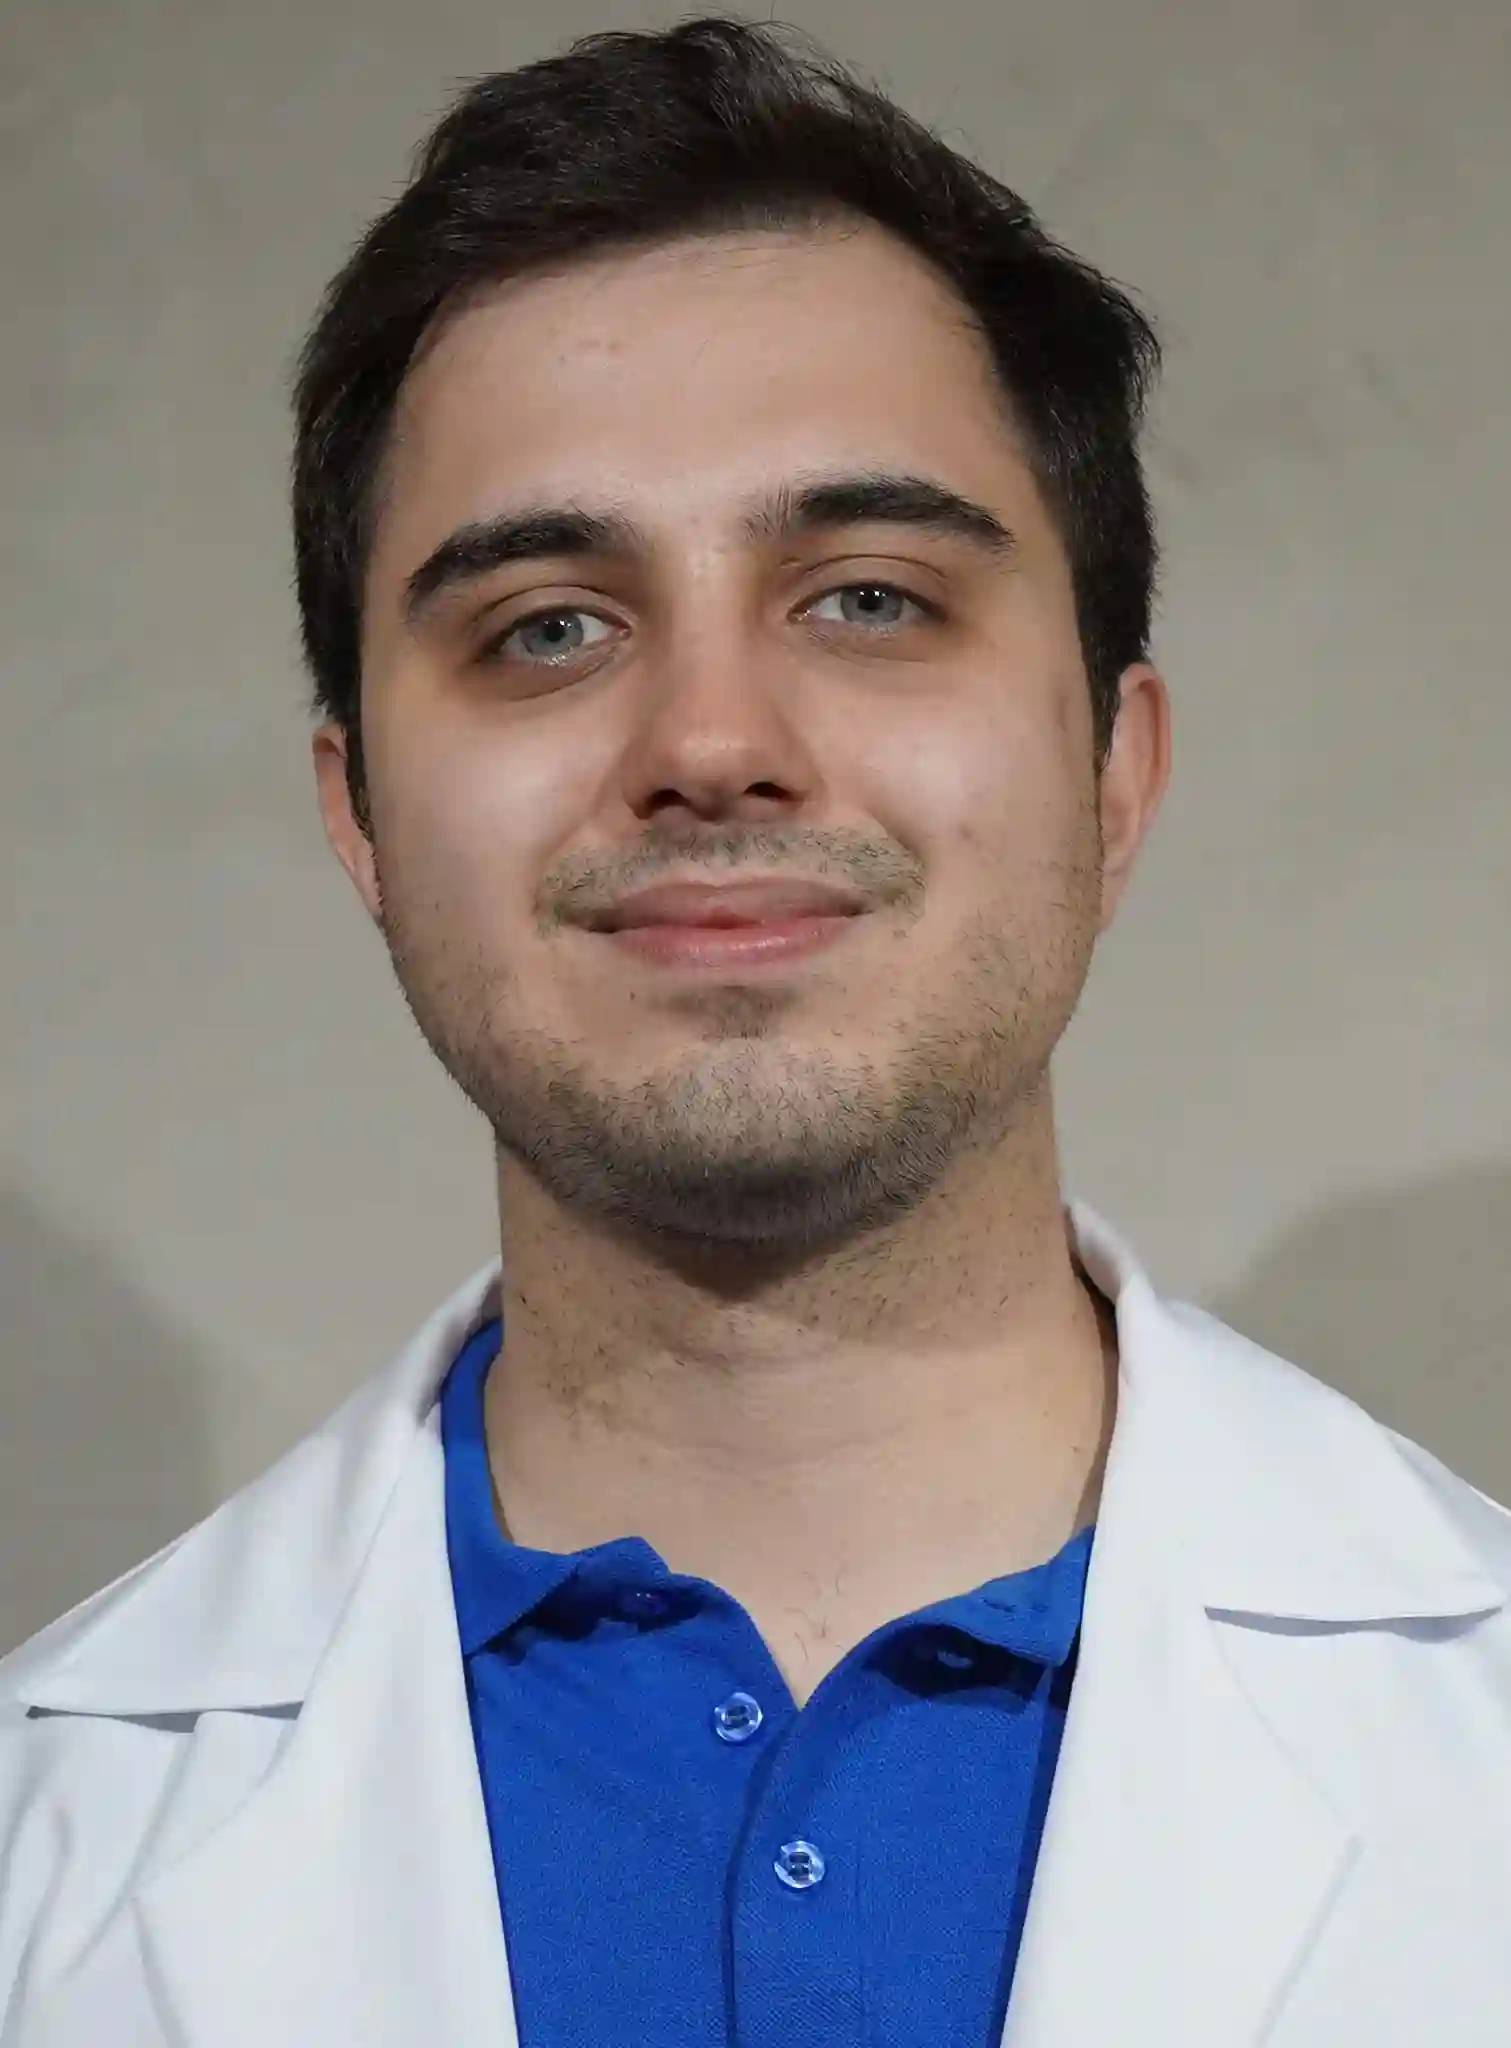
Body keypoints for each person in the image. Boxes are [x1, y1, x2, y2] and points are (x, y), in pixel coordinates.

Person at [3, 17, 1509, 2046]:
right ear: (360, 818)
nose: (710, 741)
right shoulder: (45, 1849)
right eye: (547, 625)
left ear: (1110, 771)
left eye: (867, 597)